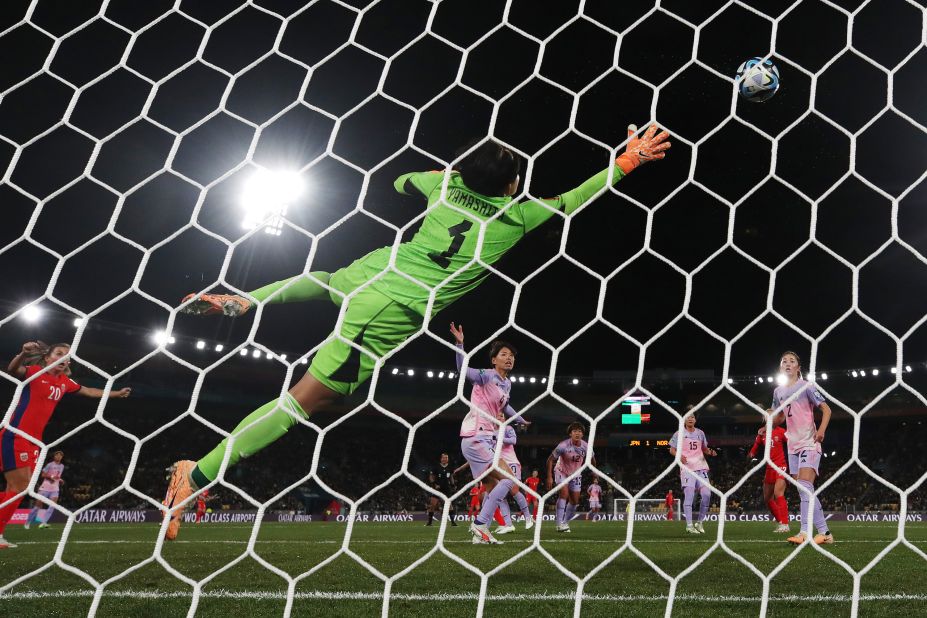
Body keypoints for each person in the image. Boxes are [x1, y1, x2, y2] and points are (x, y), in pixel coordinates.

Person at [163, 127, 672, 541]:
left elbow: (401, 182)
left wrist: (440, 176)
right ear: (510, 185)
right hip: (393, 310)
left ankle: (252, 297)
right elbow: (575, 199)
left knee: (323, 283)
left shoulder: (445, 187)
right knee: (302, 404)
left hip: (379, 269)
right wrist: (627, 161)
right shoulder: (515, 217)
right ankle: (199, 472)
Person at [1, 341, 131, 549]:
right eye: (59, 353)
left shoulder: (64, 382)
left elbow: (88, 391)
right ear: (47, 358)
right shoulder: (34, 373)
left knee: (16, 489)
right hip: (15, 435)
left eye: (67, 355)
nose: (63, 358)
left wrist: (115, 394)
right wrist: (23, 354)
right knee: (19, 487)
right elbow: (13, 369)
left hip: (35, 442)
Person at [451, 322, 528, 544]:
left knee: (493, 486)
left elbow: (505, 407)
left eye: (512, 355)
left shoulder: (507, 384)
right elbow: (462, 370)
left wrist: (520, 419)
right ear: (494, 360)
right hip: (477, 435)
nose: (509, 358)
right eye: (504, 354)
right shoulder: (485, 376)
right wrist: (460, 344)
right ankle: (480, 524)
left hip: (483, 439)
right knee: (509, 479)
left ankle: (480, 535)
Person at [770, 351, 834, 545]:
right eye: (784, 361)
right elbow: (779, 417)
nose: (788, 364)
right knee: (804, 491)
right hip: (792, 445)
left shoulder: (806, 386)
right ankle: (825, 533)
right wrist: (769, 420)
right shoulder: (777, 392)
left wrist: (821, 430)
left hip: (809, 442)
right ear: (781, 367)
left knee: (805, 486)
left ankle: (804, 532)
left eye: (792, 361)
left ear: (798, 367)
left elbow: (827, 409)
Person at [668, 413, 717, 534]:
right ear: (684, 420)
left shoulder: (700, 433)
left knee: (707, 494)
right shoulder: (678, 434)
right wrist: (679, 456)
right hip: (687, 468)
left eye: (692, 417)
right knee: (689, 495)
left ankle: (699, 523)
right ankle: (689, 525)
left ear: (695, 420)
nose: (690, 419)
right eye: (688, 417)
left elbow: (704, 449)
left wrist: (710, 452)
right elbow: (672, 449)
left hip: (701, 467)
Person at [492, 410, 535, 534]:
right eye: (498, 415)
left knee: (514, 490)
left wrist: (500, 437)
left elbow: (513, 440)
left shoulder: (508, 428)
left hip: (511, 463)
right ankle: (508, 524)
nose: (500, 417)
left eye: (502, 416)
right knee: (500, 495)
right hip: (499, 465)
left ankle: (528, 518)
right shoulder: (490, 432)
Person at [547, 422, 595, 533]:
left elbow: (592, 459)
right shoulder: (563, 445)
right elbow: (550, 460)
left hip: (576, 474)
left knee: (574, 501)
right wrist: (549, 476)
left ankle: (565, 523)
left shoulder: (586, 446)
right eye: (574, 431)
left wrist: (594, 471)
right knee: (564, 494)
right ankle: (559, 524)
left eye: (579, 431)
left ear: (583, 434)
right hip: (561, 471)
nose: (577, 433)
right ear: (570, 434)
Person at [748, 414, 790, 533]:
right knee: (767, 498)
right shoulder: (762, 433)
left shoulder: (782, 431)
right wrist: (751, 454)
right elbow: (755, 448)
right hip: (769, 468)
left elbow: (792, 443)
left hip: (781, 466)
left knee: (778, 493)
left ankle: (785, 524)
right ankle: (780, 522)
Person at [24, 450, 65, 530]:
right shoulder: (49, 465)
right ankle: (28, 522)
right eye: (57, 455)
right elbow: (43, 474)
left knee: (52, 505)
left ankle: (43, 522)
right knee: (37, 506)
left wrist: (60, 480)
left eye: (60, 455)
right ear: (54, 456)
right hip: (44, 488)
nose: (59, 456)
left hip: (55, 489)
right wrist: (51, 477)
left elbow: (57, 476)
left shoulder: (62, 466)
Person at [426, 453, 458, 527]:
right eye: (444, 457)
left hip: (447, 488)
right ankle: (429, 522)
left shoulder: (450, 467)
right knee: (432, 505)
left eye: (446, 458)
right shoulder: (436, 467)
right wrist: (434, 484)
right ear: (441, 459)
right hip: (437, 488)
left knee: (449, 505)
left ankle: (453, 522)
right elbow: (431, 476)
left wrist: (453, 485)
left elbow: (451, 477)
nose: (445, 459)